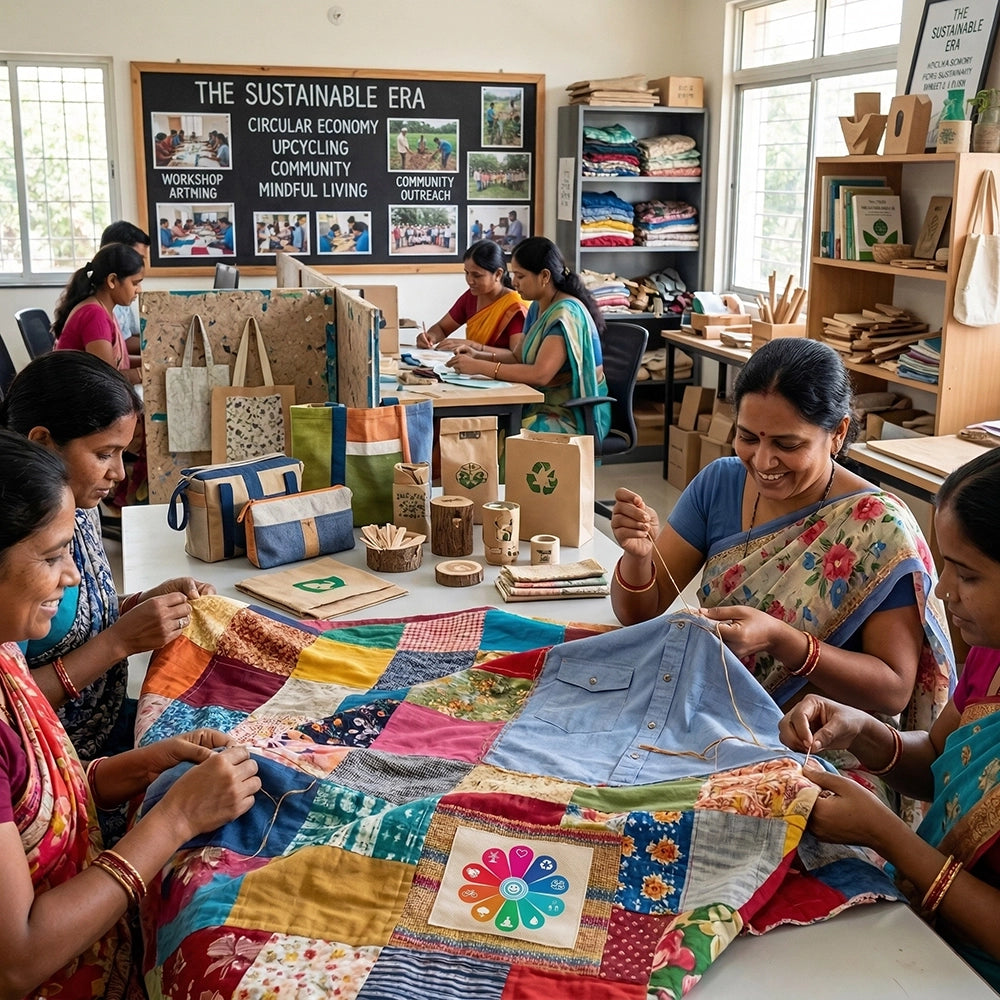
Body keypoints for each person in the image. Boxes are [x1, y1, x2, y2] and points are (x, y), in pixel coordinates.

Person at [609, 339, 954, 800]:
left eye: (787, 444)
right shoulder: (720, 483)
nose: (763, 461)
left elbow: (892, 690)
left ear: (838, 433)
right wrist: (637, 556)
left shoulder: (877, 528)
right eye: (748, 437)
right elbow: (638, 613)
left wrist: (782, 641)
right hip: (708, 721)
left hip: (819, 753)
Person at [0, 429, 259, 999]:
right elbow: (16, 961)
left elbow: (33, 807)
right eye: (51, 557)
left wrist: (140, 767)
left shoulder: (6, 650)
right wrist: (176, 820)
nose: (71, 576)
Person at [780, 446, 1000, 989]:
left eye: (967, 575)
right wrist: (861, 730)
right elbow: (939, 761)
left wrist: (888, 836)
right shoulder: (991, 655)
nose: (943, 591)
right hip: (920, 928)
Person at [0, 352, 215, 770]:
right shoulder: (19, 542)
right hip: (62, 757)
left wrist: (141, 602)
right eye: (104, 454)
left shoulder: (79, 508)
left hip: (107, 724)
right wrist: (119, 643)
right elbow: (14, 700)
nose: (119, 473)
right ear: (42, 442)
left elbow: (75, 609)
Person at [447, 236, 610, 439]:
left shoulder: (565, 314)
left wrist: (479, 367)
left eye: (520, 276)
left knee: (496, 438)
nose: (514, 282)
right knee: (477, 429)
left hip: (570, 413)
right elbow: (518, 357)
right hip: (540, 403)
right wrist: (477, 355)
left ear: (544, 276)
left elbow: (540, 375)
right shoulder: (537, 307)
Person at [52, 243, 143, 386]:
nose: (139, 290)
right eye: (135, 283)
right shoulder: (94, 315)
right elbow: (107, 380)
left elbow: (119, 361)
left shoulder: (104, 309)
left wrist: (151, 363)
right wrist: (142, 374)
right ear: (112, 281)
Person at [417, 239, 526, 352]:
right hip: (469, 363)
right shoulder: (472, 296)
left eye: (476, 275)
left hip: (495, 365)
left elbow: (516, 356)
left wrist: (473, 346)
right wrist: (431, 337)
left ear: (498, 274)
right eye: (467, 273)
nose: (469, 280)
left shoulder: (514, 307)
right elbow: (442, 328)